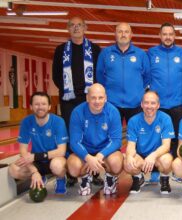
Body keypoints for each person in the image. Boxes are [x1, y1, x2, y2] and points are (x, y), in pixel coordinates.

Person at [52, 17, 101, 186]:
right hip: (69, 99)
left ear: (85, 27)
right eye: (72, 25)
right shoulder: (60, 50)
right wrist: (69, 90)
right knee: (71, 134)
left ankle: (93, 172)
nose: (76, 28)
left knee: (91, 134)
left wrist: (91, 94)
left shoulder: (94, 49)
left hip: (90, 99)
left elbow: (99, 75)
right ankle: (72, 173)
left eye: (79, 25)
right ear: (67, 28)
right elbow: (56, 75)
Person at [67, 83, 123, 196]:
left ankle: (110, 178)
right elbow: (74, 142)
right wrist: (88, 158)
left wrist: (100, 155)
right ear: (87, 98)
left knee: (117, 163)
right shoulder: (78, 112)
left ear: (106, 98)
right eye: (93, 97)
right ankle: (84, 178)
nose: (97, 101)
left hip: (105, 151)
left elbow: (116, 141)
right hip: (85, 150)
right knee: (73, 167)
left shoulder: (113, 111)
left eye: (100, 97)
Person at [8, 92, 68, 194]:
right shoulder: (26, 122)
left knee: (57, 165)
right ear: (31, 106)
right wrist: (34, 171)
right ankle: (41, 175)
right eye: (36, 104)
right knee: (13, 169)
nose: (40, 107)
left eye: (44, 104)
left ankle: (61, 178)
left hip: (54, 158)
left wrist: (35, 157)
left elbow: (61, 151)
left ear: (49, 106)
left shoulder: (58, 121)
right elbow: (23, 151)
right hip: (37, 162)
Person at [96, 22, 150, 123]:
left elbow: (147, 76)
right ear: (115, 34)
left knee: (136, 136)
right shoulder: (105, 53)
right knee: (111, 136)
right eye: (120, 32)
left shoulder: (141, 54)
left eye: (126, 32)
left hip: (136, 104)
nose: (123, 34)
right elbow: (99, 75)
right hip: (112, 103)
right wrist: (108, 91)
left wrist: (137, 91)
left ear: (131, 34)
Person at [124, 91, 175, 194]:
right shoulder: (134, 120)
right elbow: (131, 145)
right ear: (142, 104)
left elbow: (166, 146)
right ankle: (137, 178)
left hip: (158, 156)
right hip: (141, 156)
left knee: (167, 161)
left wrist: (153, 155)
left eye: (153, 103)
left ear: (158, 105)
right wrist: (129, 156)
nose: (149, 106)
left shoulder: (165, 119)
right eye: (146, 103)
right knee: (127, 162)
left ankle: (164, 179)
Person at [147, 22, 182, 158]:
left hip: (178, 103)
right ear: (160, 35)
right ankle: (157, 169)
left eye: (170, 34)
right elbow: (146, 76)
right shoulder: (151, 53)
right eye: (164, 34)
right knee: (158, 137)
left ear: (174, 36)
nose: (168, 37)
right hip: (158, 105)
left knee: (176, 137)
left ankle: (176, 165)